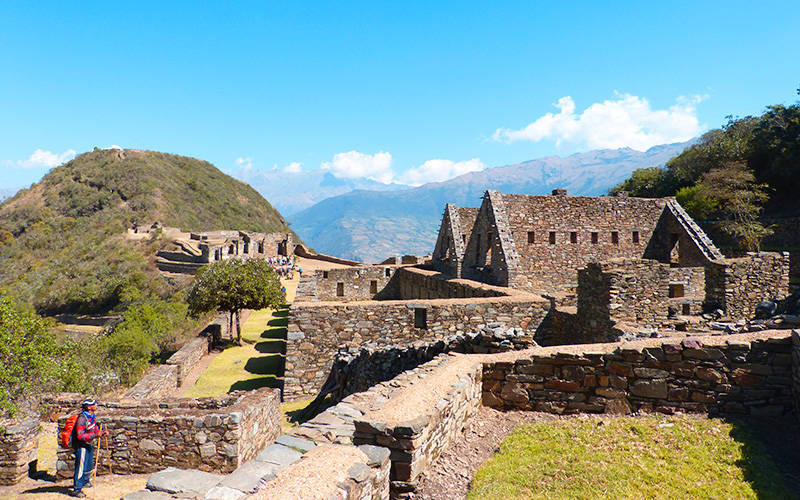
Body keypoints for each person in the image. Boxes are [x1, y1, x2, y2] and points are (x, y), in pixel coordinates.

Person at [70, 398, 108, 498]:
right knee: (81, 467)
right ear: (89, 407)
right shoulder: (82, 418)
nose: (96, 405)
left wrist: (102, 433)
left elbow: (93, 429)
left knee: (88, 464)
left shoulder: (91, 417)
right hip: (81, 445)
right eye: (94, 404)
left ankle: (85, 481)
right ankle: (77, 489)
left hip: (89, 444)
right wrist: (95, 435)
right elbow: (80, 435)